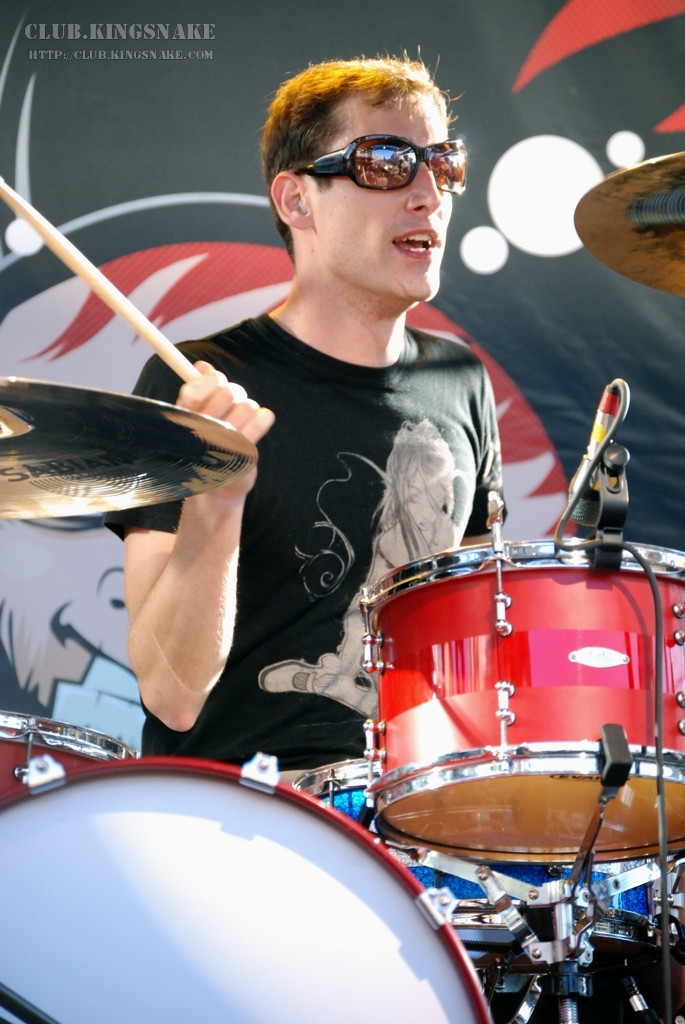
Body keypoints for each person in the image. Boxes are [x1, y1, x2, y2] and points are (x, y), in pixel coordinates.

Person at [104, 56, 503, 772]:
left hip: (413, 806)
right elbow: (171, 695)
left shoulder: (461, 380)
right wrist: (218, 498)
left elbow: (470, 651)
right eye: (386, 163)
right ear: (296, 201)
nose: (428, 194)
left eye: (442, 164)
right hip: (242, 810)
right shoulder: (195, 385)